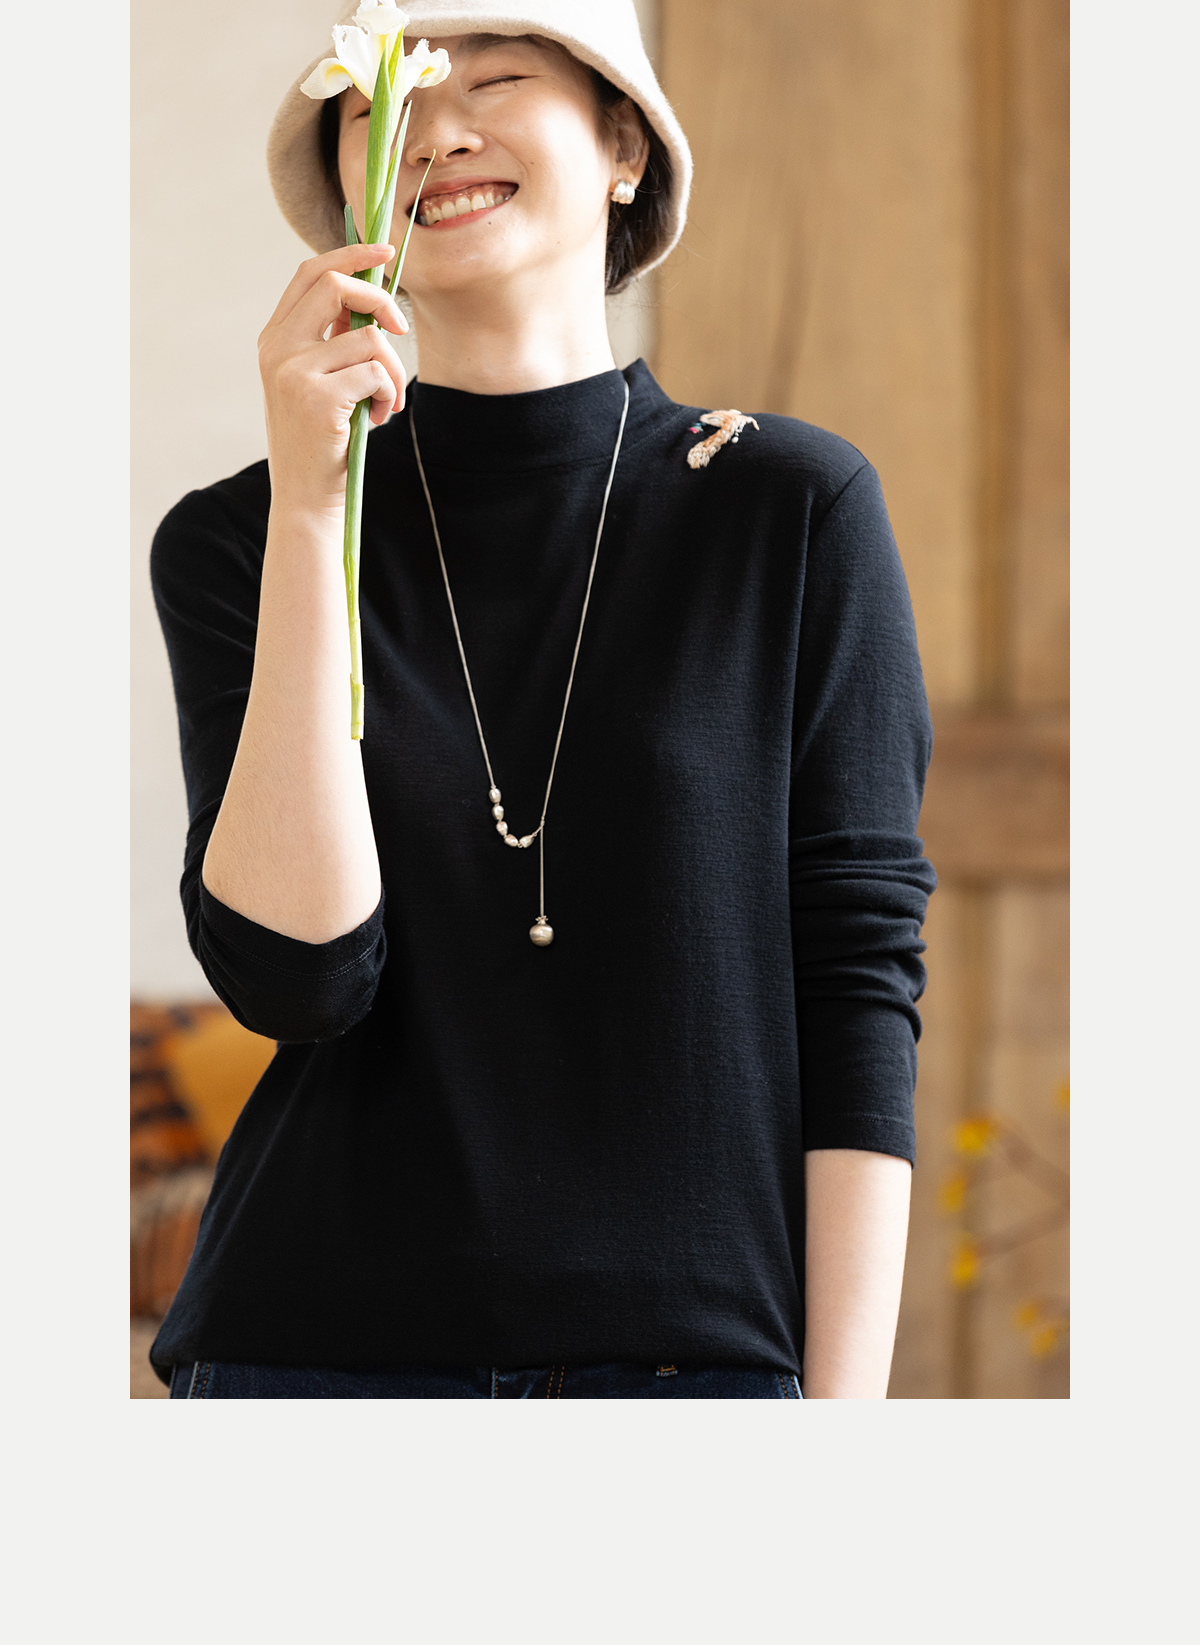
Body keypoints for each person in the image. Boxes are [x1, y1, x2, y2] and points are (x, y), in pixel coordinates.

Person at [149, 0, 936, 1400]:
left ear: (625, 147)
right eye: (383, 108)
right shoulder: (235, 538)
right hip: (311, 1364)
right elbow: (297, 976)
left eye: (500, 79)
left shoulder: (791, 509)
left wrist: (842, 1432)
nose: (439, 131)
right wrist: (313, 507)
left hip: (691, 1376)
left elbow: (858, 982)